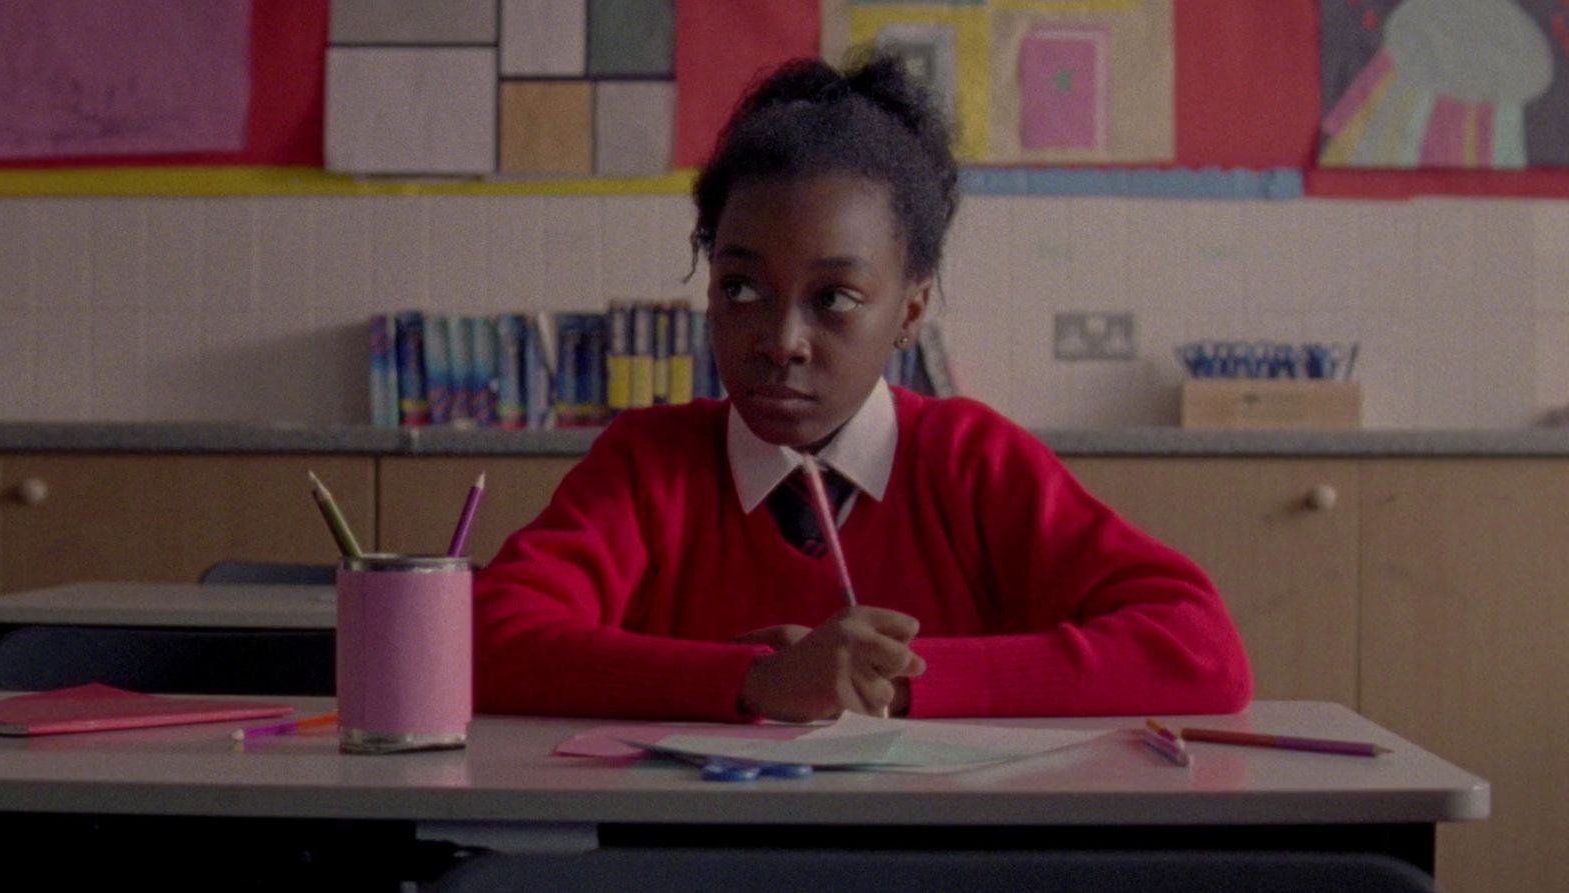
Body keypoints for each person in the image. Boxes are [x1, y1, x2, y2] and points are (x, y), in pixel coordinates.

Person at [473, 51, 1251, 722]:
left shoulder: (969, 461)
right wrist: (755, 682)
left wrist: (890, 682)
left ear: (909, 310)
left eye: (835, 298)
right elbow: (482, 641)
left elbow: (1199, 648)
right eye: (741, 288)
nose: (780, 342)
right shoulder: (651, 463)